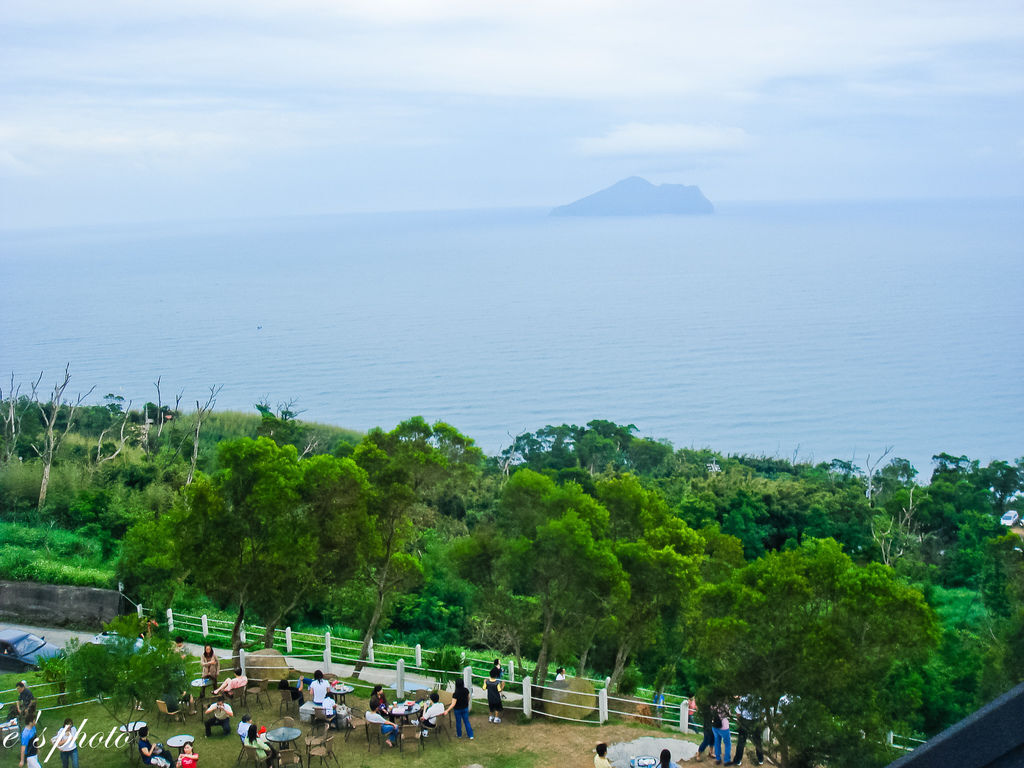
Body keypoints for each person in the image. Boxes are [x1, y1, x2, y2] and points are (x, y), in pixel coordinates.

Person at [728, 695, 765, 766]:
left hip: (744, 720)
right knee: (757, 740)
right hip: (755, 720)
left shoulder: (743, 698)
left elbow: (738, 713)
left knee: (741, 741)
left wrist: (739, 721)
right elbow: (763, 711)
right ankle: (760, 759)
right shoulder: (759, 698)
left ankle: (737, 760)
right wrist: (760, 720)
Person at [712, 700, 732, 766]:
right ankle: (726, 760)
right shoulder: (725, 705)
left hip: (715, 726)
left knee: (717, 742)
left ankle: (718, 759)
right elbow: (729, 714)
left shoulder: (713, 703)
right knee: (727, 744)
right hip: (724, 727)